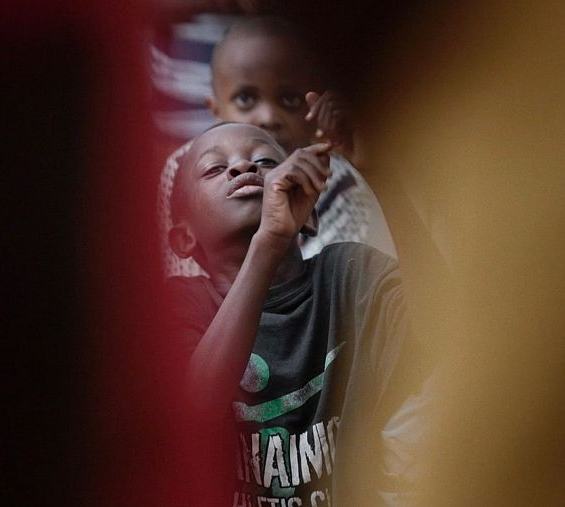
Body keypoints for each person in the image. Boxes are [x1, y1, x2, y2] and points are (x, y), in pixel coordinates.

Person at [168, 122, 425, 506]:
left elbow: (446, 329)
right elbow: (189, 414)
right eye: (215, 168)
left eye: (265, 161)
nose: (243, 167)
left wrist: (383, 176)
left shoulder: (349, 275)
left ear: (308, 213)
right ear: (184, 238)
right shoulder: (179, 306)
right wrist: (267, 243)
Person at [158, 16, 396, 278]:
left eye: (290, 99)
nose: (268, 117)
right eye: (246, 98)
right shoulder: (182, 170)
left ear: (313, 108)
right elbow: (179, 286)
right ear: (216, 110)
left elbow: (360, 292)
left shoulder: (338, 182)